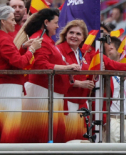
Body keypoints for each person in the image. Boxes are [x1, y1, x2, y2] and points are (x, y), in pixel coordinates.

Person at [13, 8, 78, 143]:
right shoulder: (39, 39)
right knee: (42, 137)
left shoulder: (45, 39)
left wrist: (67, 72)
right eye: (56, 22)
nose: (58, 26)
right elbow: (41, 65)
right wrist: (67, 67)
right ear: (46, 22)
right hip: (43, 93)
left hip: (50, 93)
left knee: (50, 136)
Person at [0, 6, 35, 143]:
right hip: (9, 90)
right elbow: (19, 62)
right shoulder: (4, 39)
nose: (14, 23)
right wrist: (32, 50)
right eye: (12, 20)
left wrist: (24, 47)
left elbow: (10, 58)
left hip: (3, 88)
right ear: (2, 21)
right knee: (10, 130)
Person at [56, 19, 96, 142]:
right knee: (65, 142)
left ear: (83, 37)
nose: (74, 36)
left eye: (78, 34)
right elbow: (56, 76)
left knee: (79, 143)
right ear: (65, 34)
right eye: (71, 32)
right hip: (65, 104)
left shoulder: (85, 53)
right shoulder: (58, 50)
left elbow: (89, 73)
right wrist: (78, 83)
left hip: (81, 104)